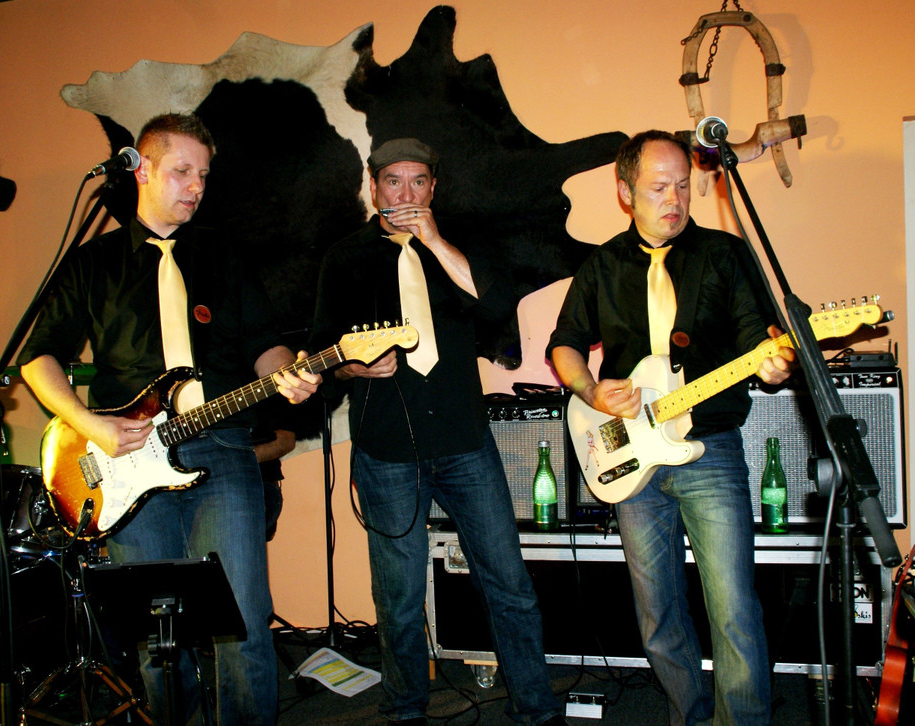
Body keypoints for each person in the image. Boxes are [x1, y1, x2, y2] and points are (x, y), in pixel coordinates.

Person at [18, 112, 319, 725]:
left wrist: (289, 372)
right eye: (182, 171)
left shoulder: (225, 255)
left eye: (203, 175)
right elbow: (37, 358)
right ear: (141, 168)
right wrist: (91, 424)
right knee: (155, 640)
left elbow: (265, 344)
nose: (196, 186)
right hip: (125, 462)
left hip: (222, 449)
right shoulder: (93, 262)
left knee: (241, 625)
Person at [310, 138, 566, 725]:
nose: (405, 193)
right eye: (393, 181)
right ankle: (406, 709)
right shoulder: (345, 259)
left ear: (433, 187)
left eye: (418, 181)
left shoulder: (460, 245)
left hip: (464, 442)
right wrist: (354, 368)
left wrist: (433, 241)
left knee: (508, 582)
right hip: (386, 451)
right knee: (399, 597)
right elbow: (323, 355)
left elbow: (495, 306)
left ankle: (536, 708)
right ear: (373, 186)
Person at [548, 130, 794, 726]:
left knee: (733, 609)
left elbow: (757, 336)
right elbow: (565, 344)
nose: (675, 199)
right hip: (631, 457)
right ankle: (690, 715)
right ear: (625, 192)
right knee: (657, 612)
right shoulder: (603, 264)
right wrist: (590, 390)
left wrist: (774, 360)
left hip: (709, 448)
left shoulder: (724, 255)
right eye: (659, 187)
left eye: (683, 186)